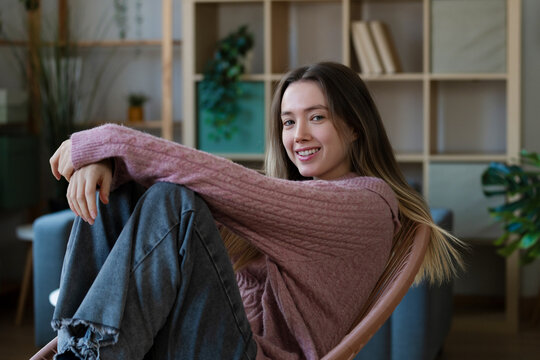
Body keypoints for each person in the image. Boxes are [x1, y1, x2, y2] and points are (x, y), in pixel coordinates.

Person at [49, 62, 463, 360]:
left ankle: (88, 354)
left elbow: (215, 181)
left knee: (173, 201)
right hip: (207, 342)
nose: (298, 135)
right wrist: (106, 165)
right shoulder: (298, 200)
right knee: (119, 194)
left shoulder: (366, 205)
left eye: (316, 117)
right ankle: (79, 348)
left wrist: (107, 142)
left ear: (355, 127)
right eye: (287, 122)